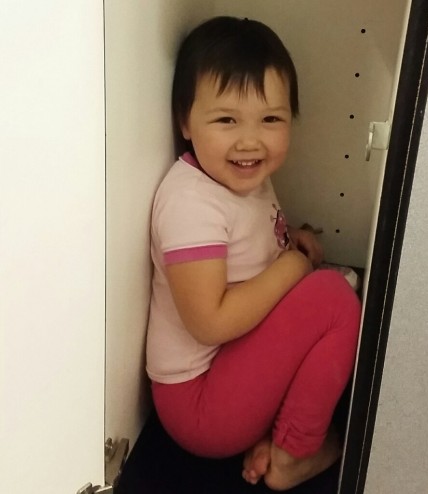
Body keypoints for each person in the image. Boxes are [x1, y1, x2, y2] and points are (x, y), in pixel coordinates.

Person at [146, 16, 361, 491]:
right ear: (184, 121)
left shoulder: (237, 175)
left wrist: (290, 240)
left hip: (229, 377)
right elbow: (210, 323)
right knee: (333, 299)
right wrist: (293, 267)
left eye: (271, 120)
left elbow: (249, 246)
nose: (250, 140)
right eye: (227, 120)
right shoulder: (190, 203)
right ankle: (294, 454)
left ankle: (274, 433)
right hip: (199, 405)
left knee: (327, 290)